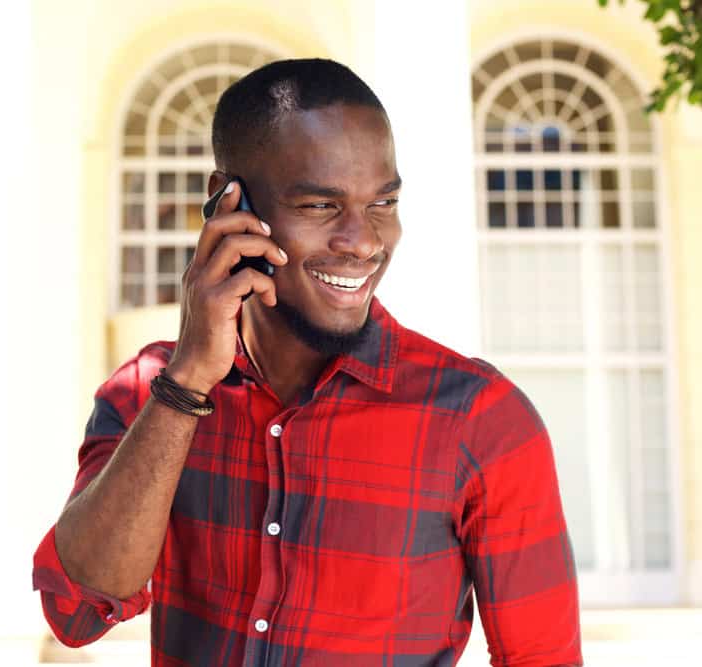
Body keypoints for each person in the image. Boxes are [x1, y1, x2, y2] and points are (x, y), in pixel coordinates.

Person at [32, 58, 582, 666]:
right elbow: (77, 612)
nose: (364, 241)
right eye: (321, 207)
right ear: (228, 203)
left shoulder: (483, 419)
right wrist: (187, 382)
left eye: (383, 203)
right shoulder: (149, 394)